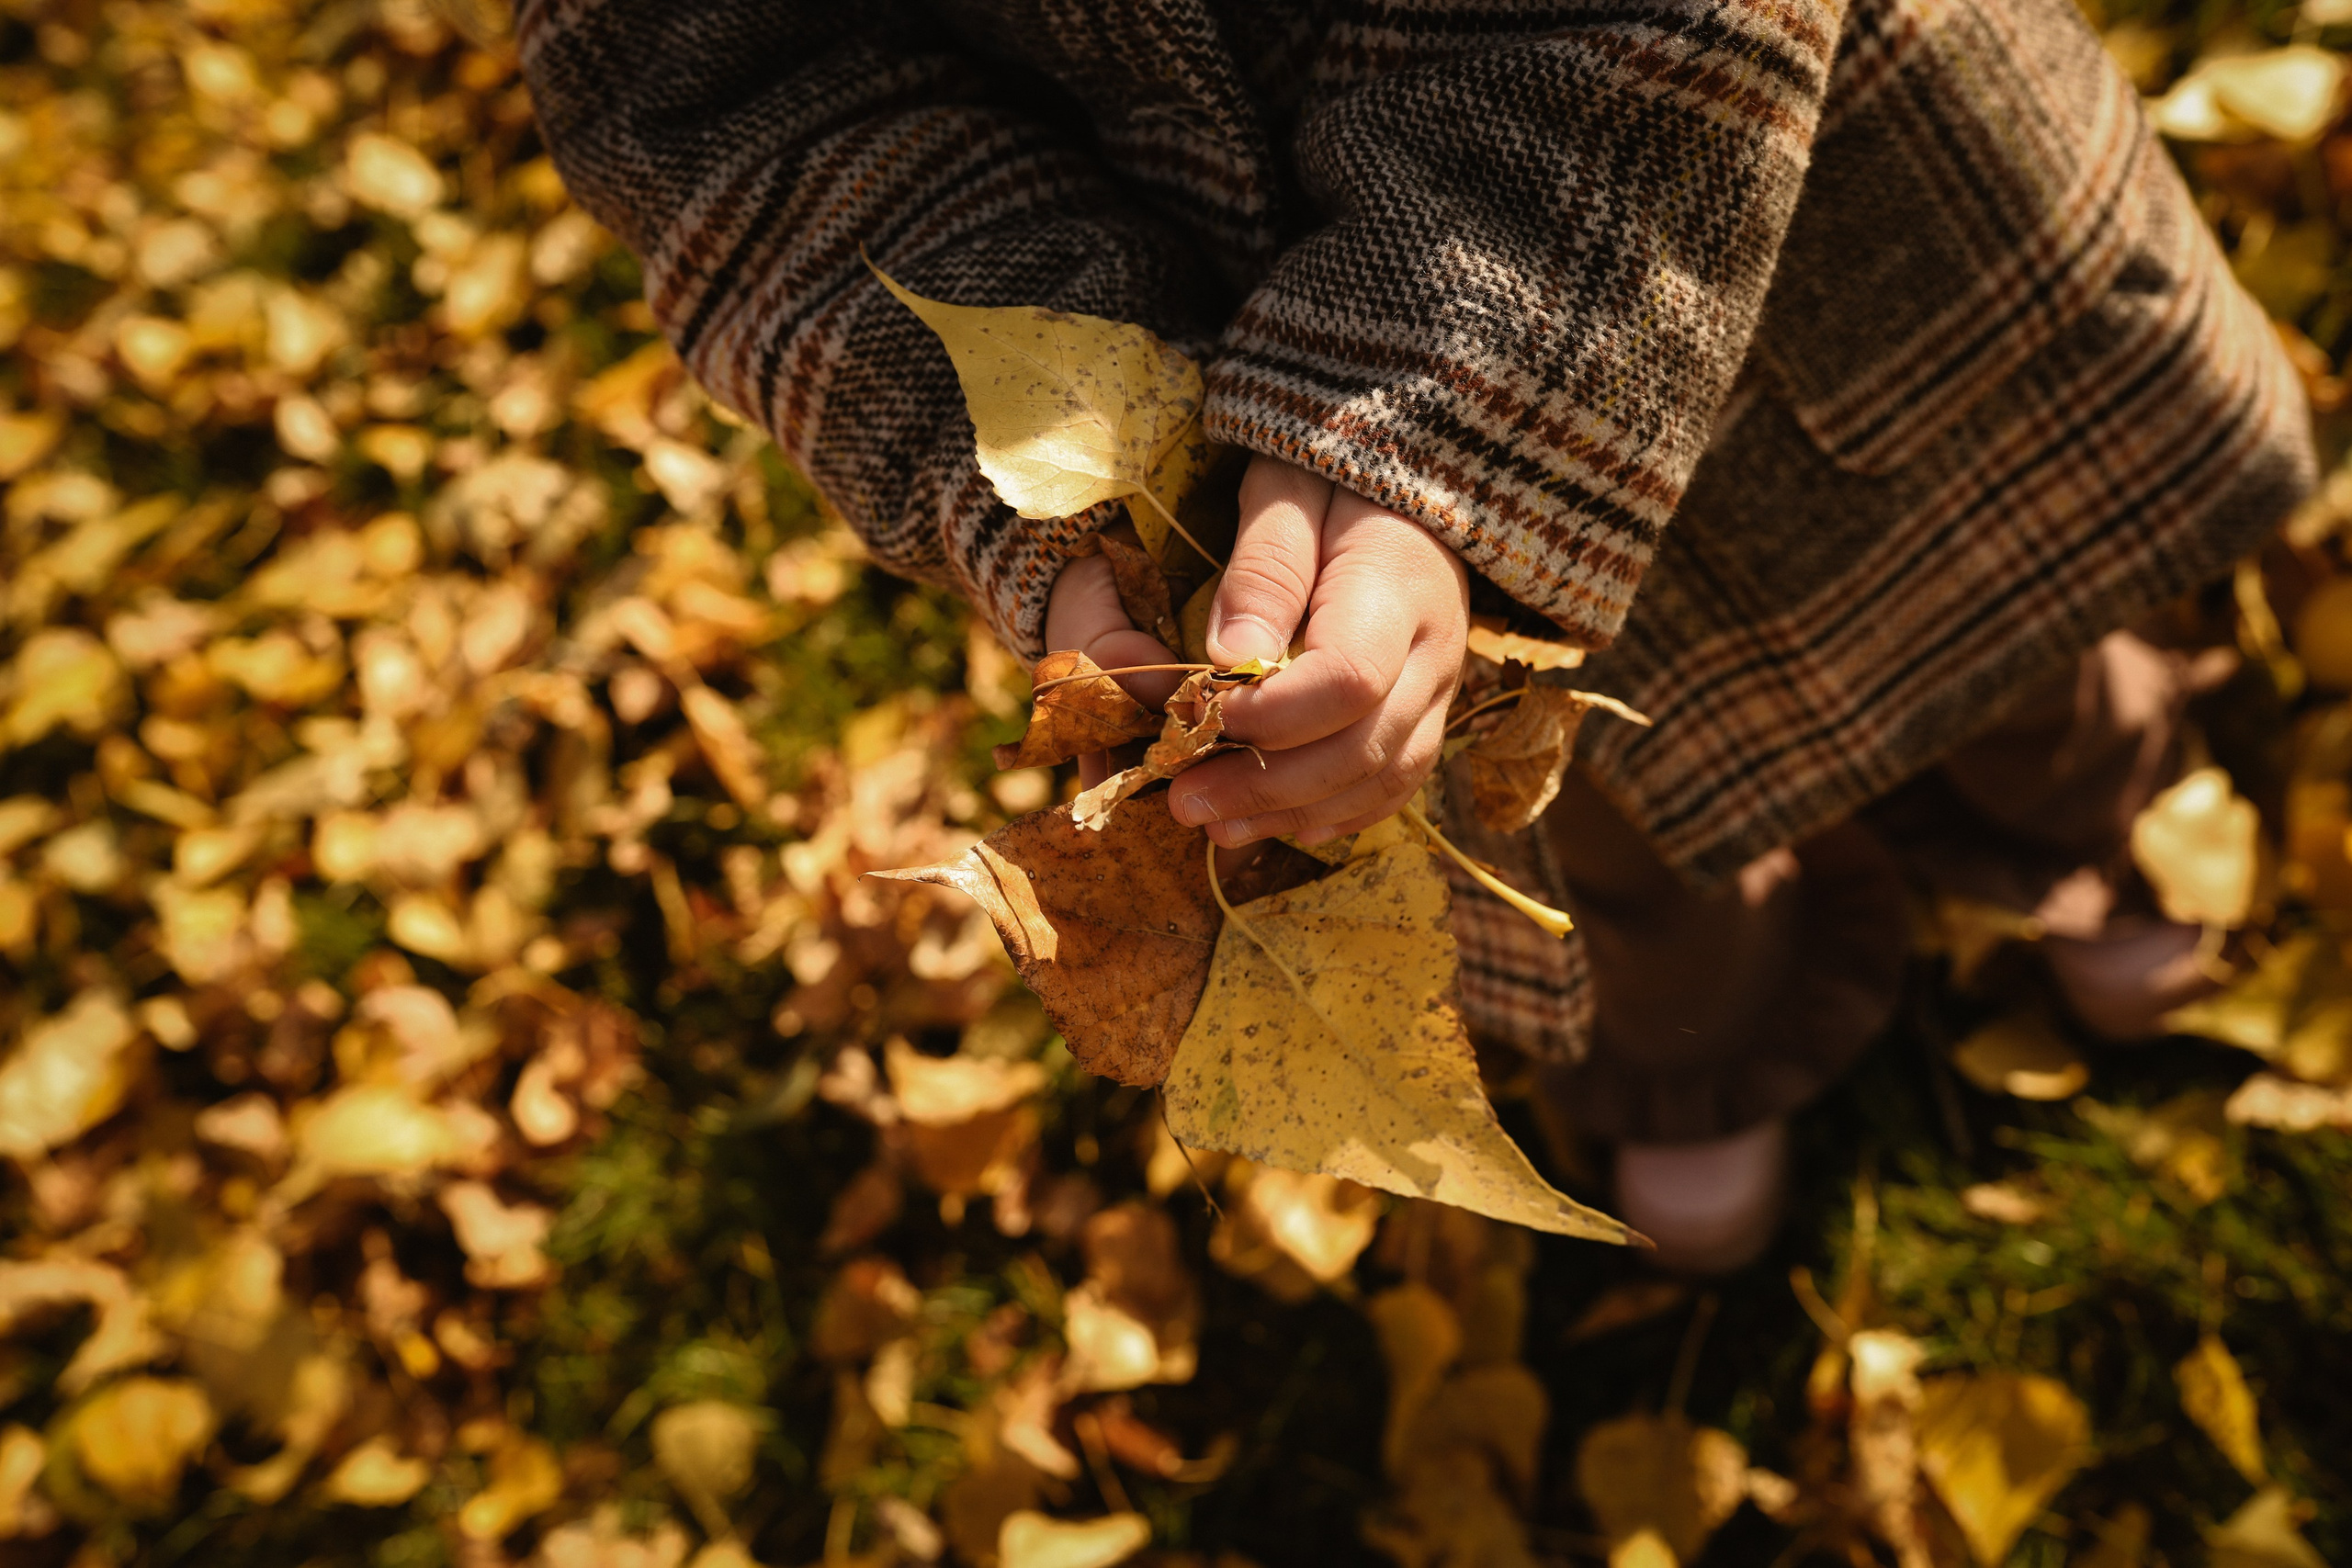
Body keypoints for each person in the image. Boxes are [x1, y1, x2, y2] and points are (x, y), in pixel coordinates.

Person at [519, 0, 2314, 1271]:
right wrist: (1092, 519)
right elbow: (728, 96)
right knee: (1552, 797)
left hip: (1745, 176)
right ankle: (1704, 1023)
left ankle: (2100, 805)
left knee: (1975, 581)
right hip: (1218, 396)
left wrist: (1431, 396)